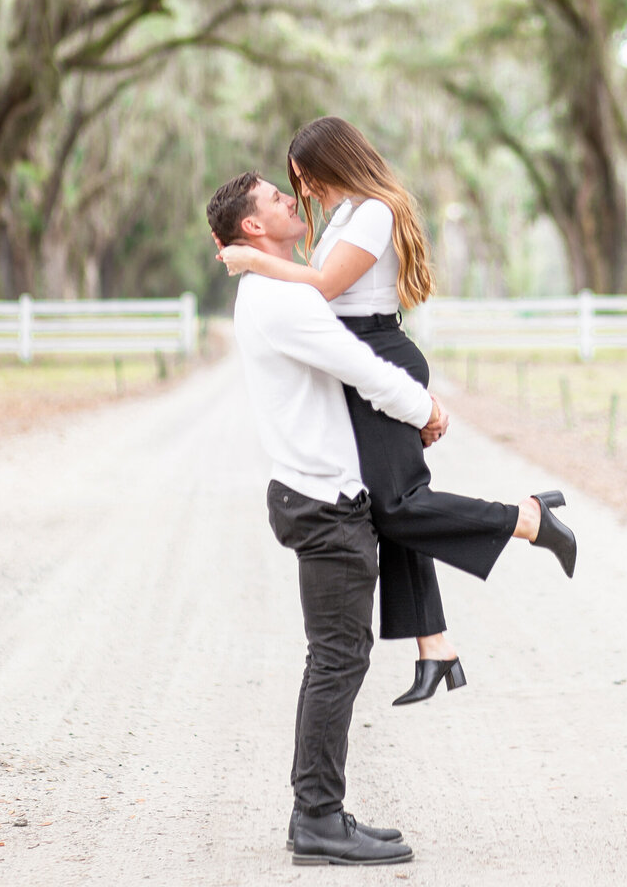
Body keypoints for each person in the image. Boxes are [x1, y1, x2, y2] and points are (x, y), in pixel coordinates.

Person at [207, 171, 576, 866]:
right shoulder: (280, 301)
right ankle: (316, 819)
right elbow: (360, 365)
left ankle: (321, 809)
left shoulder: (269, 288)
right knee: (338, 659)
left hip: (313, 494)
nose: (293, 202)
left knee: (336, 656)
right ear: (252, 227)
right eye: (278, 199)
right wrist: (427, 410)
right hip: (323, 502)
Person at [219, 118, 570, 706]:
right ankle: (435, 647)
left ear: (332, 161)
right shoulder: (345, 215)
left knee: (400, 505)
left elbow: (323, 287)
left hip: (381, 354)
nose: (301, 190)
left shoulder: (375, 210)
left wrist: (253, 261)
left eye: (302, 177)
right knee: (390, 507)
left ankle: (529, 519)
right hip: (362, 355)